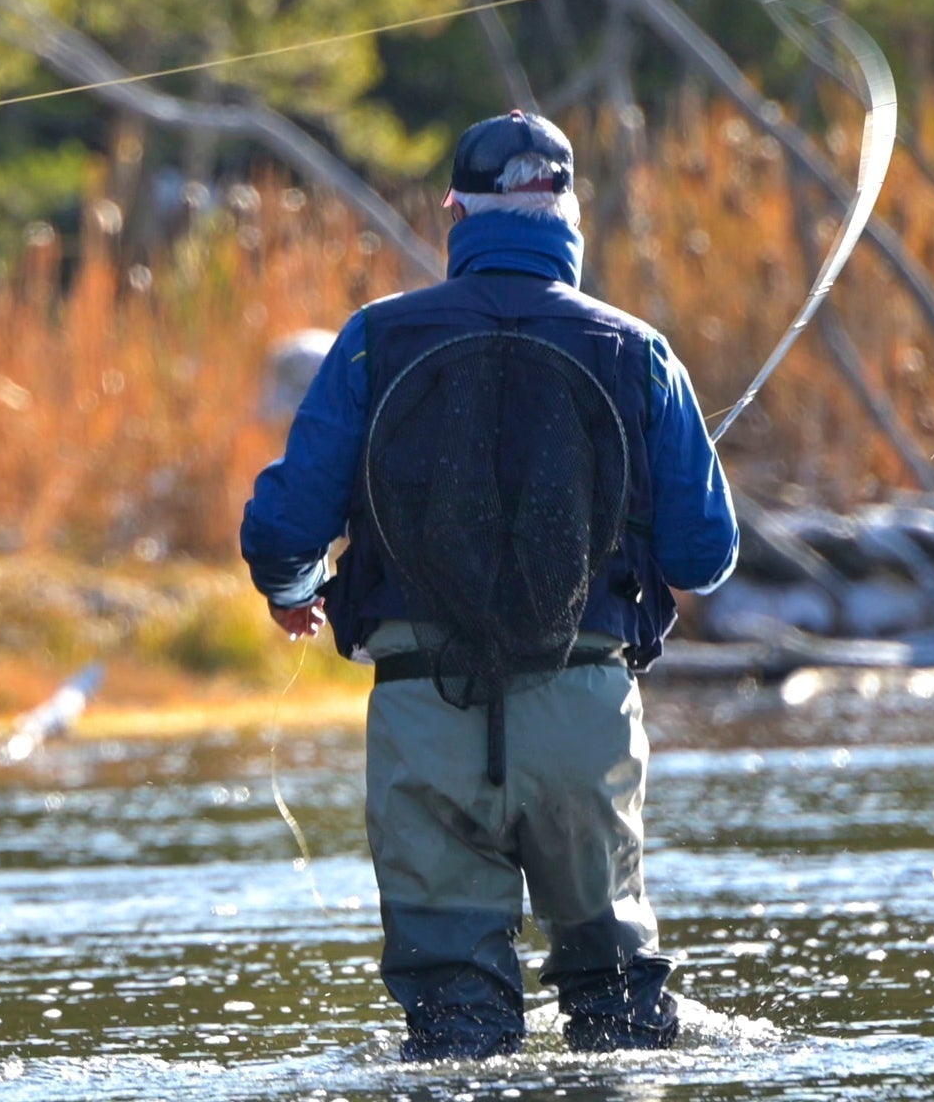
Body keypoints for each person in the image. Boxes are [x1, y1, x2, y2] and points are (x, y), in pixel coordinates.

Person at [239, 110, 738, 1060]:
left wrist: (294, 587)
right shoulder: (641, 351)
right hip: (585, 716)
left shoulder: (372, 340)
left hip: (424, 713)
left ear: (455, 211)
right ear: (570, 209)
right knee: (619, 1004)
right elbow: (703, 556)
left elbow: (287, 524)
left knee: (453, 1021)